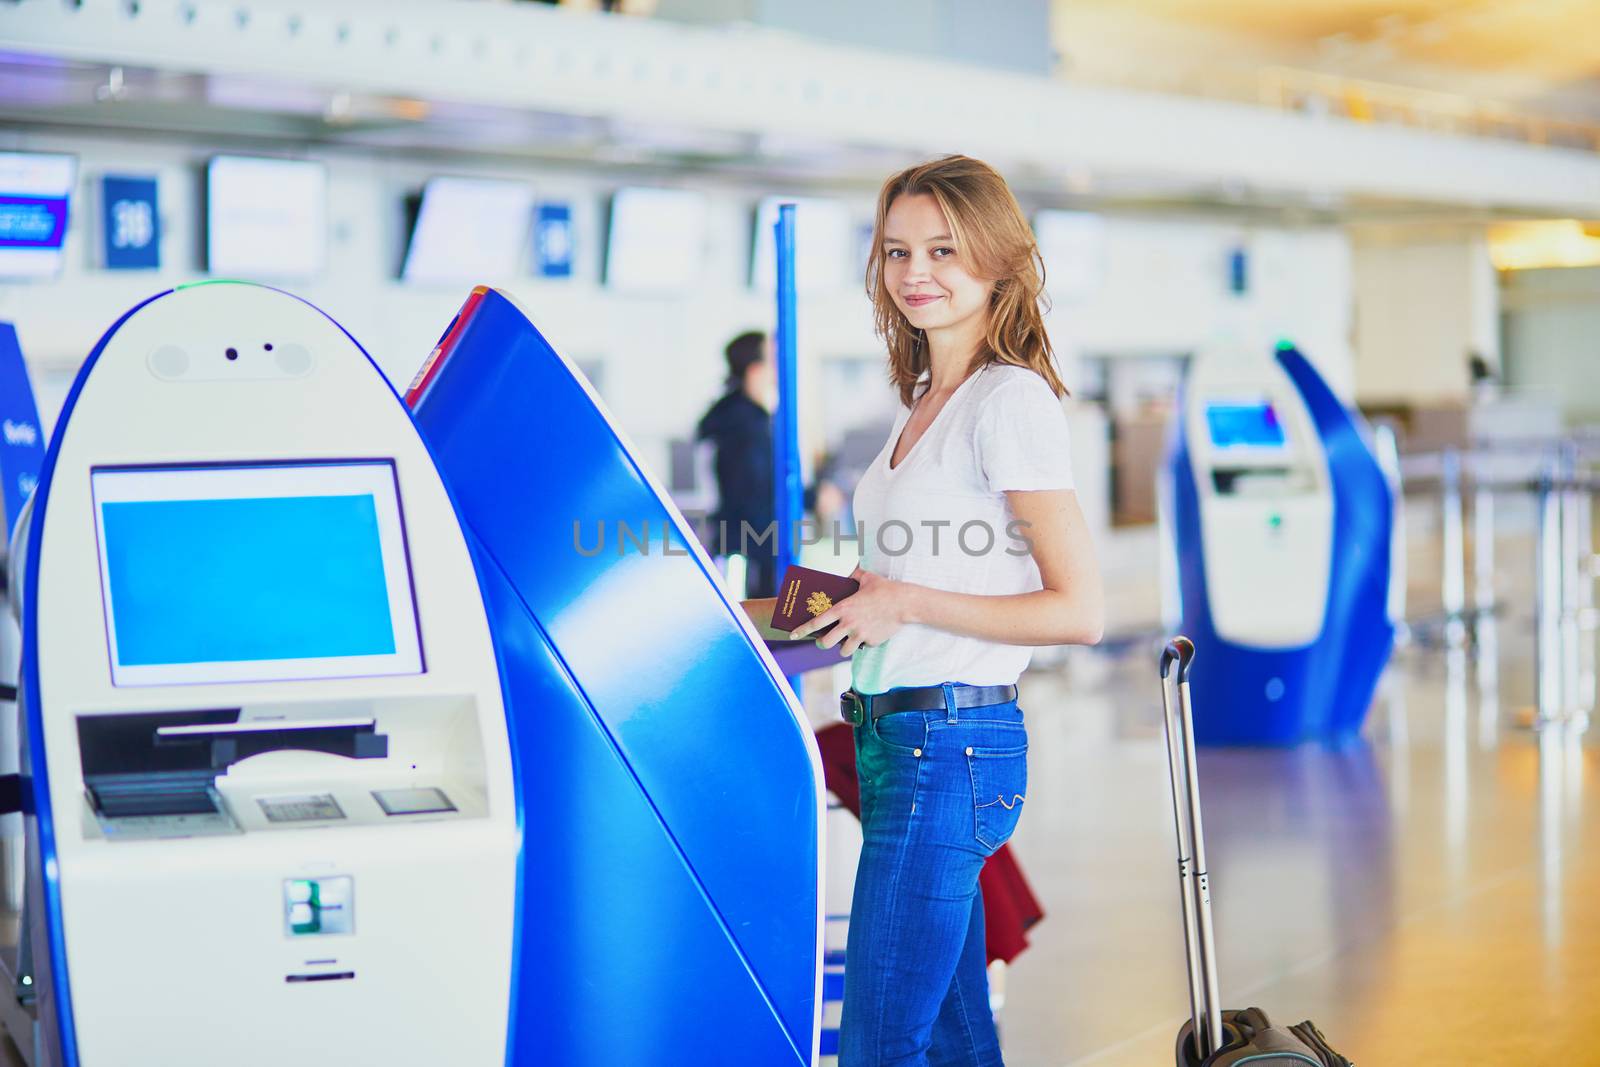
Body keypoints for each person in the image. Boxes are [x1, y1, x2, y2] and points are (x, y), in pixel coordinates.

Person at [748, 154, 1104, 1066]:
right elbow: (874, 594)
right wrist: (730, 609)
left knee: (878, 1044)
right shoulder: (920, 404)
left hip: (951, 747)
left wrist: (904, 599)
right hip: (894, 739)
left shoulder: (1009, 401)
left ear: (997, 261)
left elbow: (1077, 610)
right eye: (898, 250)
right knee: (949, 1039)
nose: (915, 273)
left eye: (944, 249)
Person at [697, 330, 778, 597]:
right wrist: (811, 497)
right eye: (772, 360)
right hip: (749, 552)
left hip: (732, 544)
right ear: (755, 370)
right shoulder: (746, 425)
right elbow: (758, 489)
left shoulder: (727, 417)